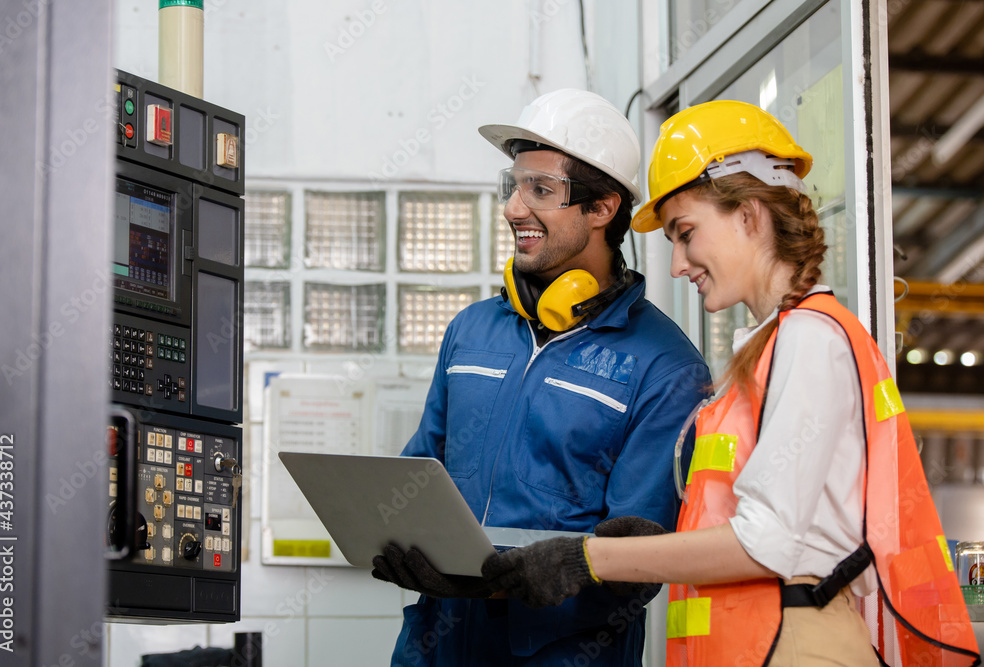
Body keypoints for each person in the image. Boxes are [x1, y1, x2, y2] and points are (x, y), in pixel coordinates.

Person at [482, 100, 981, 666]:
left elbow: (767, 541)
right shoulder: (770, 346)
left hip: (796, 645)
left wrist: (587, 558)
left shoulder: (810, 341)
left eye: (686, 233)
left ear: (748, 215)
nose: (677, 264)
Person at [371, 89, 712, 665]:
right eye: (514, 185)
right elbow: (421, 470)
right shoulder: (471, 330)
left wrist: (505, 581)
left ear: (602, 208)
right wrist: (399, 534)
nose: (513, 208)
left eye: (541, 190)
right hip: (436, 646)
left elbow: (644, 556)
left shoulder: (665, 367)